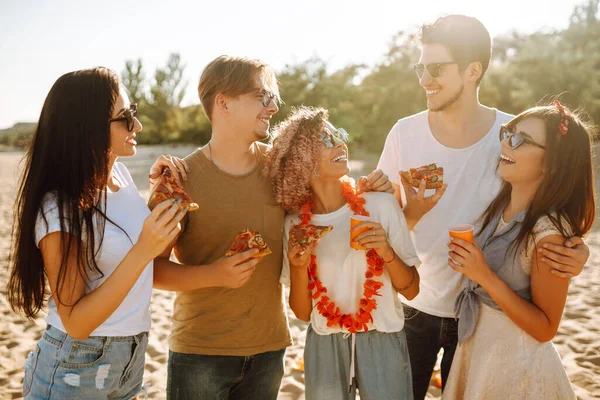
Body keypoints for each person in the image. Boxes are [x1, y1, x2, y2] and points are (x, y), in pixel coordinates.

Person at [152, 56, 393, 400]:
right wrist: (215, 275)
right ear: (223, 102)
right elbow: (152, 270)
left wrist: (372, 186)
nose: (272, 108)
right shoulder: (180, 179)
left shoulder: (280, 168)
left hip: (269, 351)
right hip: (200, 353)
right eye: (261, 97)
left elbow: (333, 201)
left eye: (273, 99)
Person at [376, 15, 590, 398]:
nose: (425, 79)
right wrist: (410, 214)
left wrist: (577, 249)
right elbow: (382, 222)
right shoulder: (403, 134)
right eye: (420, 67)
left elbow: (547, 211)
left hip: (480, 320)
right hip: (412, 305)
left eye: (437, 68)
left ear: (473, 70)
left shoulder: (512, 138)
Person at [7, 67, 186, 399]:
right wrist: (143, 249)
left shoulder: (119, 174)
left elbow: (146, 266)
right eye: (125, 117)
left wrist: (160, 200)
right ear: (87, 129)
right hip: (76, 368)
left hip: (130, 359)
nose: (138, 125)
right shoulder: (59, 207)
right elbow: (76, 322)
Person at [264, 106, 420, 399]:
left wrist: (385, 250)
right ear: (301, 162)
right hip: (325, 344)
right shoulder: (295, 225)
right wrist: (298, 267)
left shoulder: (379, 205)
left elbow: (412, 291)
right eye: (325, 140)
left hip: (384, 340)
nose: (339, 143)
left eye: (338, 135)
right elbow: (301, 313)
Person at [443, 101, 595, 398]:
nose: (505, 144)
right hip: (481, 351)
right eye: (507, 132)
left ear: (552, 164)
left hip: (516, 367)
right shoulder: (502, 203)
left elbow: (546, 329)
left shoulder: (549, 234)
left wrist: (483, 275)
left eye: (520, 140)